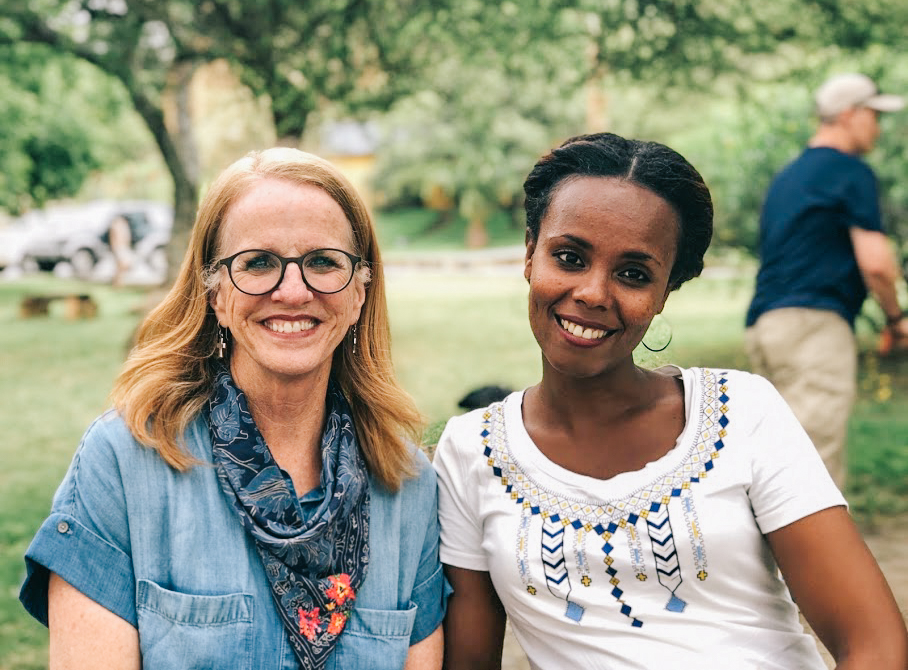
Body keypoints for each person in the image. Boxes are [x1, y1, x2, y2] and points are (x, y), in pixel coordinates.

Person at [434, 132, 908, 669]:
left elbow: (873, 643)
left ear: (666, 291)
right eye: (568, 257)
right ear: (529, 253)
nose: (592, 292)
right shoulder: (472, 450)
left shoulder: (742, 413)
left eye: (633, 274)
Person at [20, 148, 447, 669]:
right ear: (215, 293)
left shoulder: (408, 486)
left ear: (361, 290)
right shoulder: (124, 465)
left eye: (323, 262)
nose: (293, 291)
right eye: (259, 263)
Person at [745, 72, 908, 489]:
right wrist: (896, 319)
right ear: (849, 115)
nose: (878, 127)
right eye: (874, 115)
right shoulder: (850, 171)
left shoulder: (788, 177)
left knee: (776, 462)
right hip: (813, 328)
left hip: (765, 326)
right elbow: (876, 263)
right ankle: (812, 557)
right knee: (812, 473)